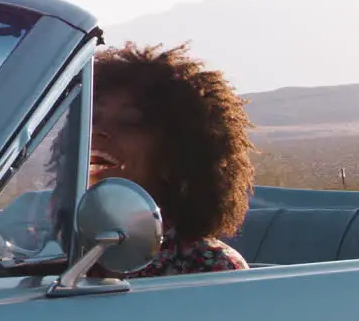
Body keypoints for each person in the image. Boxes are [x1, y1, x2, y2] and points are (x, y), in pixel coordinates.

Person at [90, 42, 256, 277]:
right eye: (92, 118)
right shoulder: (48, 253)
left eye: (129, 122)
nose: (97, 131)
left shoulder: (207, 268)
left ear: (174, 155)